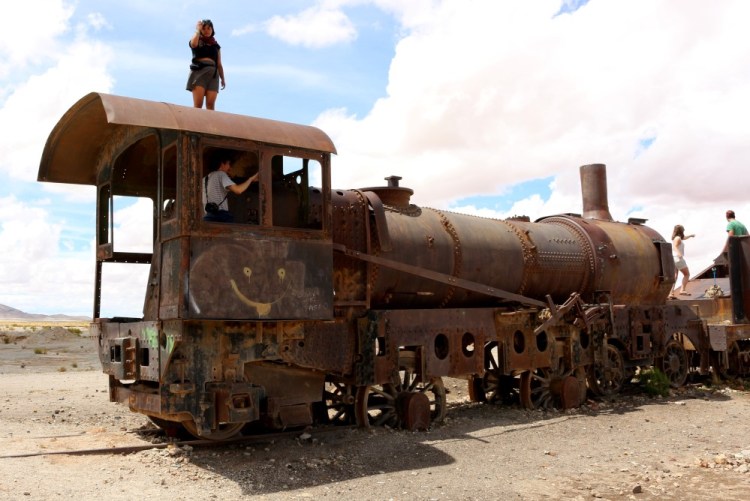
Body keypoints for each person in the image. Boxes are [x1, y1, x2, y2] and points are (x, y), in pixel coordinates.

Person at [203, 155, 258, 222]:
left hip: (207, 217)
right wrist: (251, 179)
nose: (230, 167)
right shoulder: (221, 174)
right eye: (228, 164)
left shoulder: (204, 179)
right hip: (221, 216)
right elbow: (238, 190)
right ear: (222, 164)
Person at [186, 19, 225, 110]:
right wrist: (197, 30)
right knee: (198, 105)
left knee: (211, 105)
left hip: (213, 74)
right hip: (200, 71)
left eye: (209, 28)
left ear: (212, 30)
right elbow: (194, 44)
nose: (207, 30)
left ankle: (211, 124)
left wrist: (222, 78)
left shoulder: (216, 46)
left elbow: (219, 63)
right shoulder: (197, 39)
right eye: (204, 28)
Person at [670, 225, 695, 298]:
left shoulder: (677, 238)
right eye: (683, 230)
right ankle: (682, 290)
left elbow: (684, 238)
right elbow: (674, 246)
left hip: (674, 258)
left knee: (675, 276)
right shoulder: (678, 238)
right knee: (687, 274)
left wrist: (690, 236)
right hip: (678, 258)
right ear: (681, 231)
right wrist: (679, 254)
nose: (684, 231)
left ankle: (671, 293)